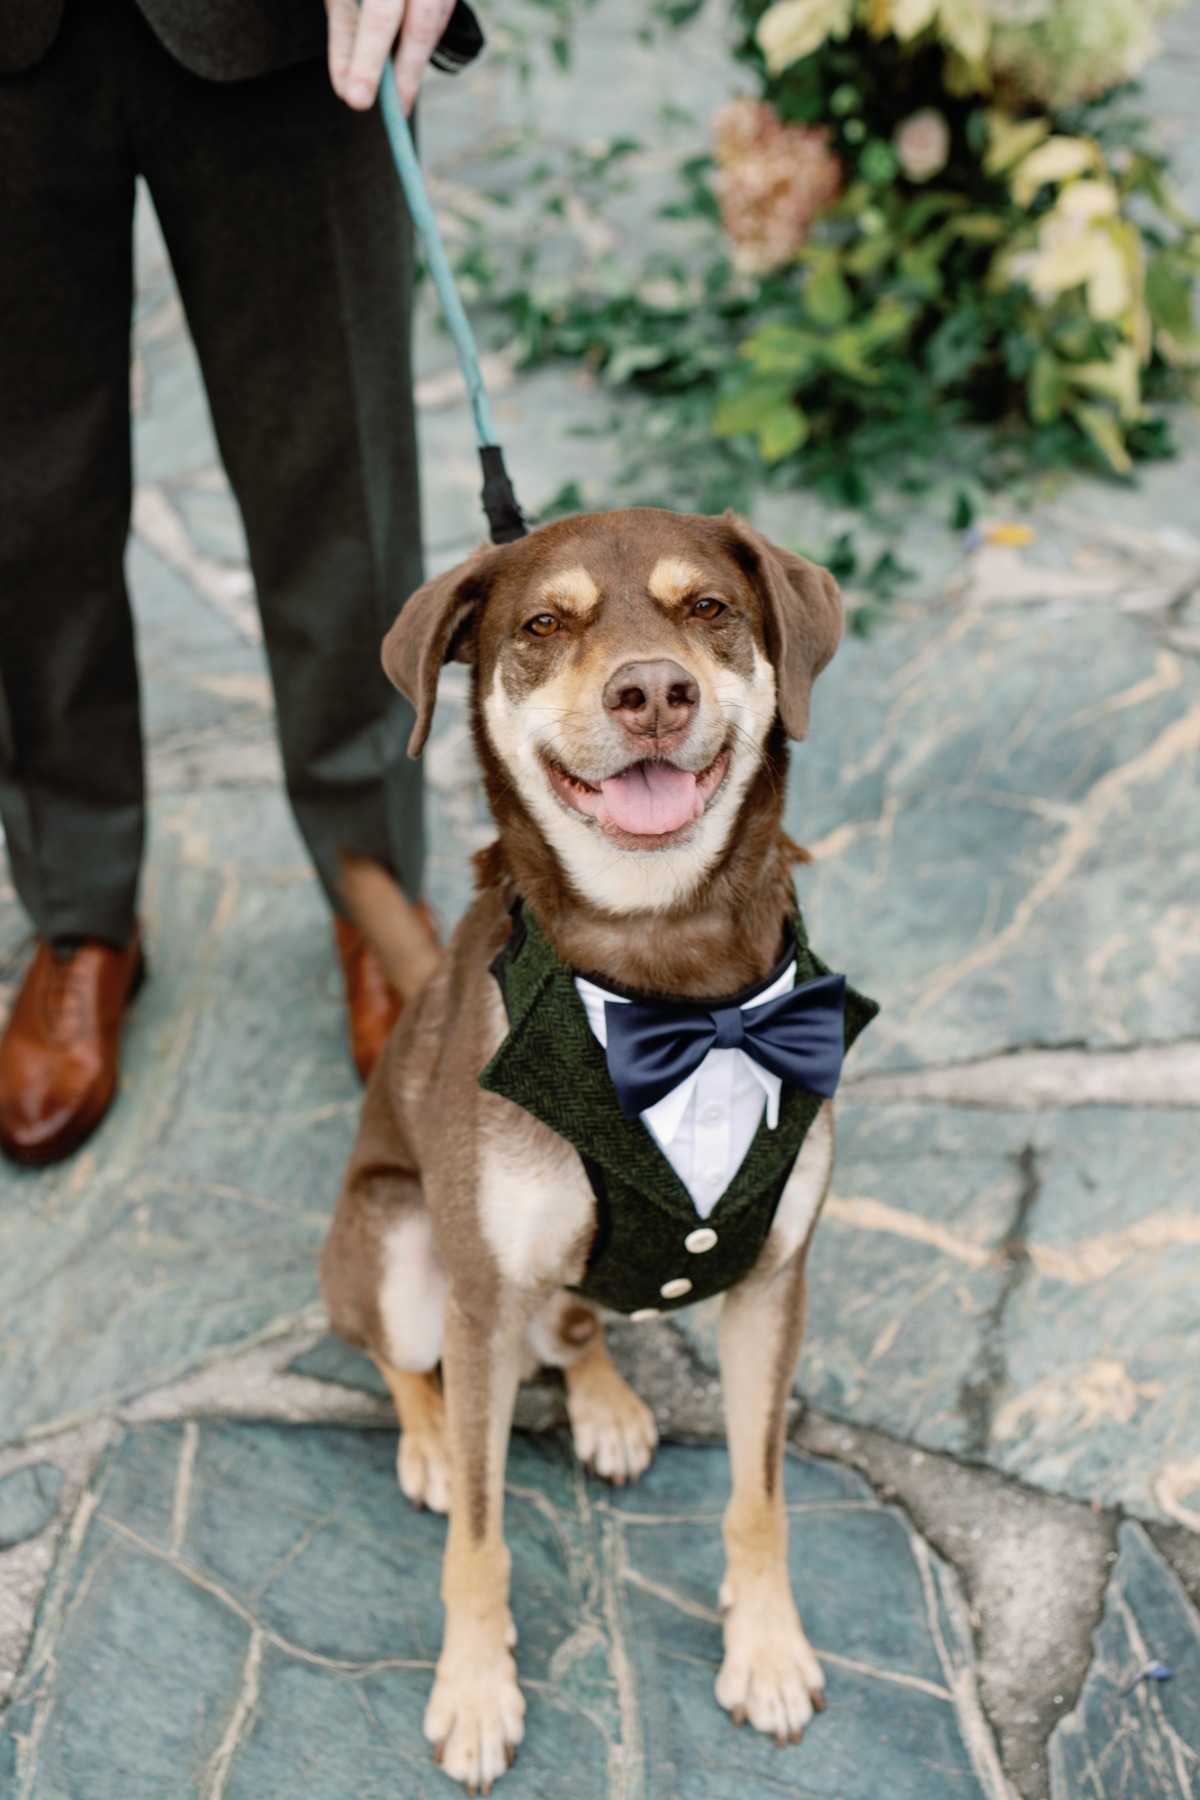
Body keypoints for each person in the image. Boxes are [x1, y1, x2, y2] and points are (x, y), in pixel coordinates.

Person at [0, 0, 465, 1165]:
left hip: (287, 30)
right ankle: (77, 911)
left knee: (339, 484)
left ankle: (372, 888)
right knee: (20, 506)